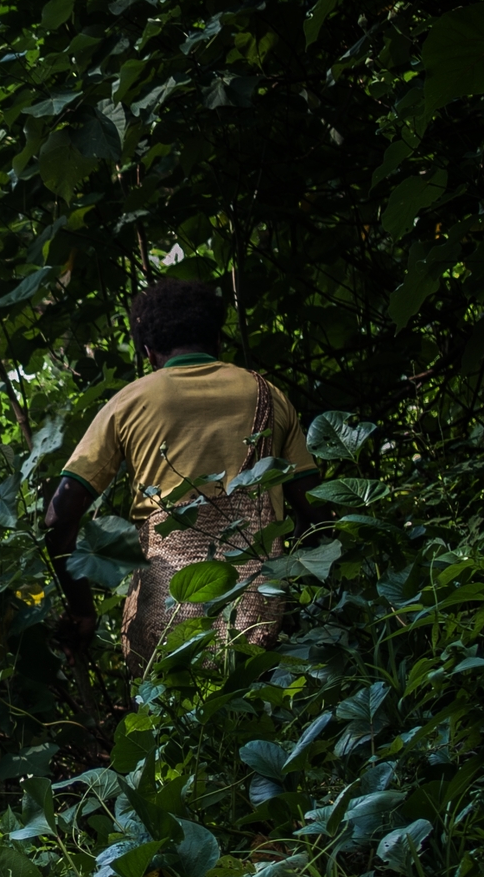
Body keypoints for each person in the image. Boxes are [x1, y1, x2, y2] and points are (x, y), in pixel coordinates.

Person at [44, 278, 322, 667]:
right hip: (260, 607)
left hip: (165, 612)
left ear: (148, 353)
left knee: (169, 716)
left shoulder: (127, 403)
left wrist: (82, 611)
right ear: (218, 342)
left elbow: (59, 516)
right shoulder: (267, 394)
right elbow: (316, 511)